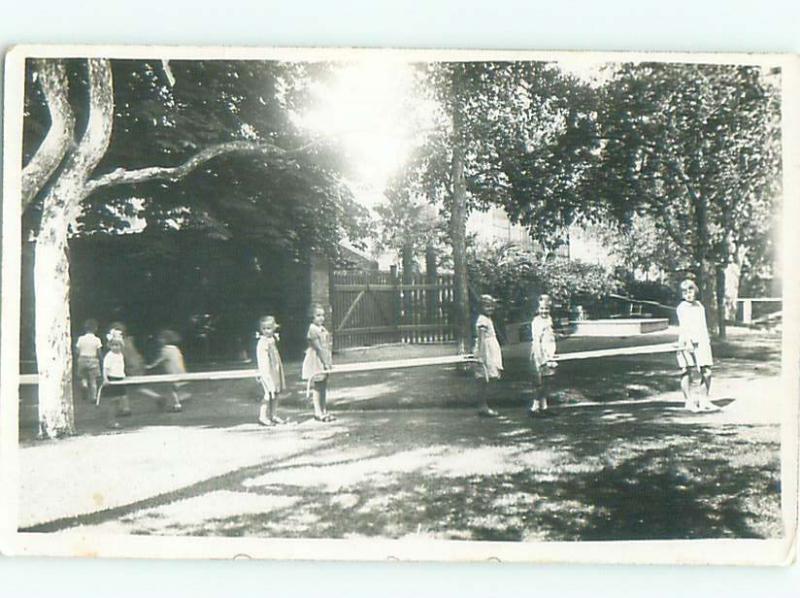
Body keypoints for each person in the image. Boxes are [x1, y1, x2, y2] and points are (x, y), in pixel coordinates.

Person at [676, 278, 718, 412]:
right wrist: (687, 342)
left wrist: (706, 340)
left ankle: (704, 400)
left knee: (707, 371)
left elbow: (703, 325)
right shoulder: (681, 308)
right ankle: (688, 401)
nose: (688, 294)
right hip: (686, 341)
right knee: (686, 370)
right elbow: (684, 327)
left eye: (690, 290)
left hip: (702, 341)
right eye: (685, 292)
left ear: (695, 291)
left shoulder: (700, 306)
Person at [302, 304, 334, 422]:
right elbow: (319, 348)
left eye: (322, 315)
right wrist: (325, 361)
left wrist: (328, 360)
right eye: (318, 315)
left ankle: (324, 409)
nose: (321, 318)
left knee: (323, 385)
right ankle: (317, 411)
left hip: (324, 357)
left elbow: (326, 346)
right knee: (317, 386)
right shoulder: (313, 329)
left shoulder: (322, 329)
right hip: (316, 359)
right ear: (312, 317)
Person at [529, 294, 558, 417]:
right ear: (537, 309)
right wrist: (540, 357)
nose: (544, 311)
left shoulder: (549, 319)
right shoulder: (536, 322)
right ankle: (534, 408)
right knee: (539, 382)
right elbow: (536, 340)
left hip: (549, 353)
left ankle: (544, 406)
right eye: (541, 309)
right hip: (540, 353)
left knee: (547, 381)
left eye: (546, 309)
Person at [145, 329, 188, 413]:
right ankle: (179, 399)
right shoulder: (175, 348)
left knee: (172, 389)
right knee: (174, 389)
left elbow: (160, 360)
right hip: (179, 370)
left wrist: (150, 366)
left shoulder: (165, 349)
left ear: (165, 340)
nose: (159, 340)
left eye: (161, 339)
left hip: (172, 372)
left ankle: (177, 405)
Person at [474, 294, 503, 417]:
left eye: (491, 306)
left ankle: (484, 405)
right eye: (487, 306)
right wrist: (480, 355)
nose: (490, 309)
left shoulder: (488, 319)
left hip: (491, 349)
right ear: (481, 308)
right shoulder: (482, 320)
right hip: (485, 350)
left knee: (491, 377)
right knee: (484, 379)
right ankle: (483, 406)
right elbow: (481, 339)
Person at [256, 315, 287, 426]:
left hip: (275, 370)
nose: (266, 331)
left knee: (276, 393)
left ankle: (273, 414)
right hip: (267, 371)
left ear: (273, 328)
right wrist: (264, 374)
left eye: (269, 328)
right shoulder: (262, 342)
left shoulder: (272, 339)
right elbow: (263, 360)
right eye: (264, 329)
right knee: (267, 393)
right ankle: (262, 416)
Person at [102, 331, 130, 428]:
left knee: (119, 400)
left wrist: (123, 375)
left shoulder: (120, 355)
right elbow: (106, 368)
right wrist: (105, 379)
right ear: (109, 346)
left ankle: (115, 419)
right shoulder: (109, 356)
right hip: (112, 379)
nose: (115, 347)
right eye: (113, 345)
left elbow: (120, 366)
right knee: (113, 401)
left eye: (117, 345)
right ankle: (111, 421)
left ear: (121, 346)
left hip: (119, 378)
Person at [75, 319, 102, 402]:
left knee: (83, 376)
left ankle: (84, 385)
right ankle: (94, 397)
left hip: (82, 358)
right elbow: (99, 352)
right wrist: (100, 360)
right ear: (95, 328)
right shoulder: (97, 340)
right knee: (93, 379)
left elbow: (77, 351)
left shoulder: (80, 339)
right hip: (93, 359)